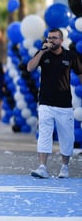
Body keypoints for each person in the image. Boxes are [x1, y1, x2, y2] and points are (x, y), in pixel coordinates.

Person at [27, 28, 82, 179]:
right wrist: (42, 52)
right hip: (45, 103)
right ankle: (42, 167)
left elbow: (80, 73)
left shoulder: (70, 56)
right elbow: (30, 67)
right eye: (49, 38)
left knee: (67, 137)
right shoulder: (43, 54)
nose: (51, 40)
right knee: (44, 134)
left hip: (64, 104)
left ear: (61, 40)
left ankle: (64, 166)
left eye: (55, 38)